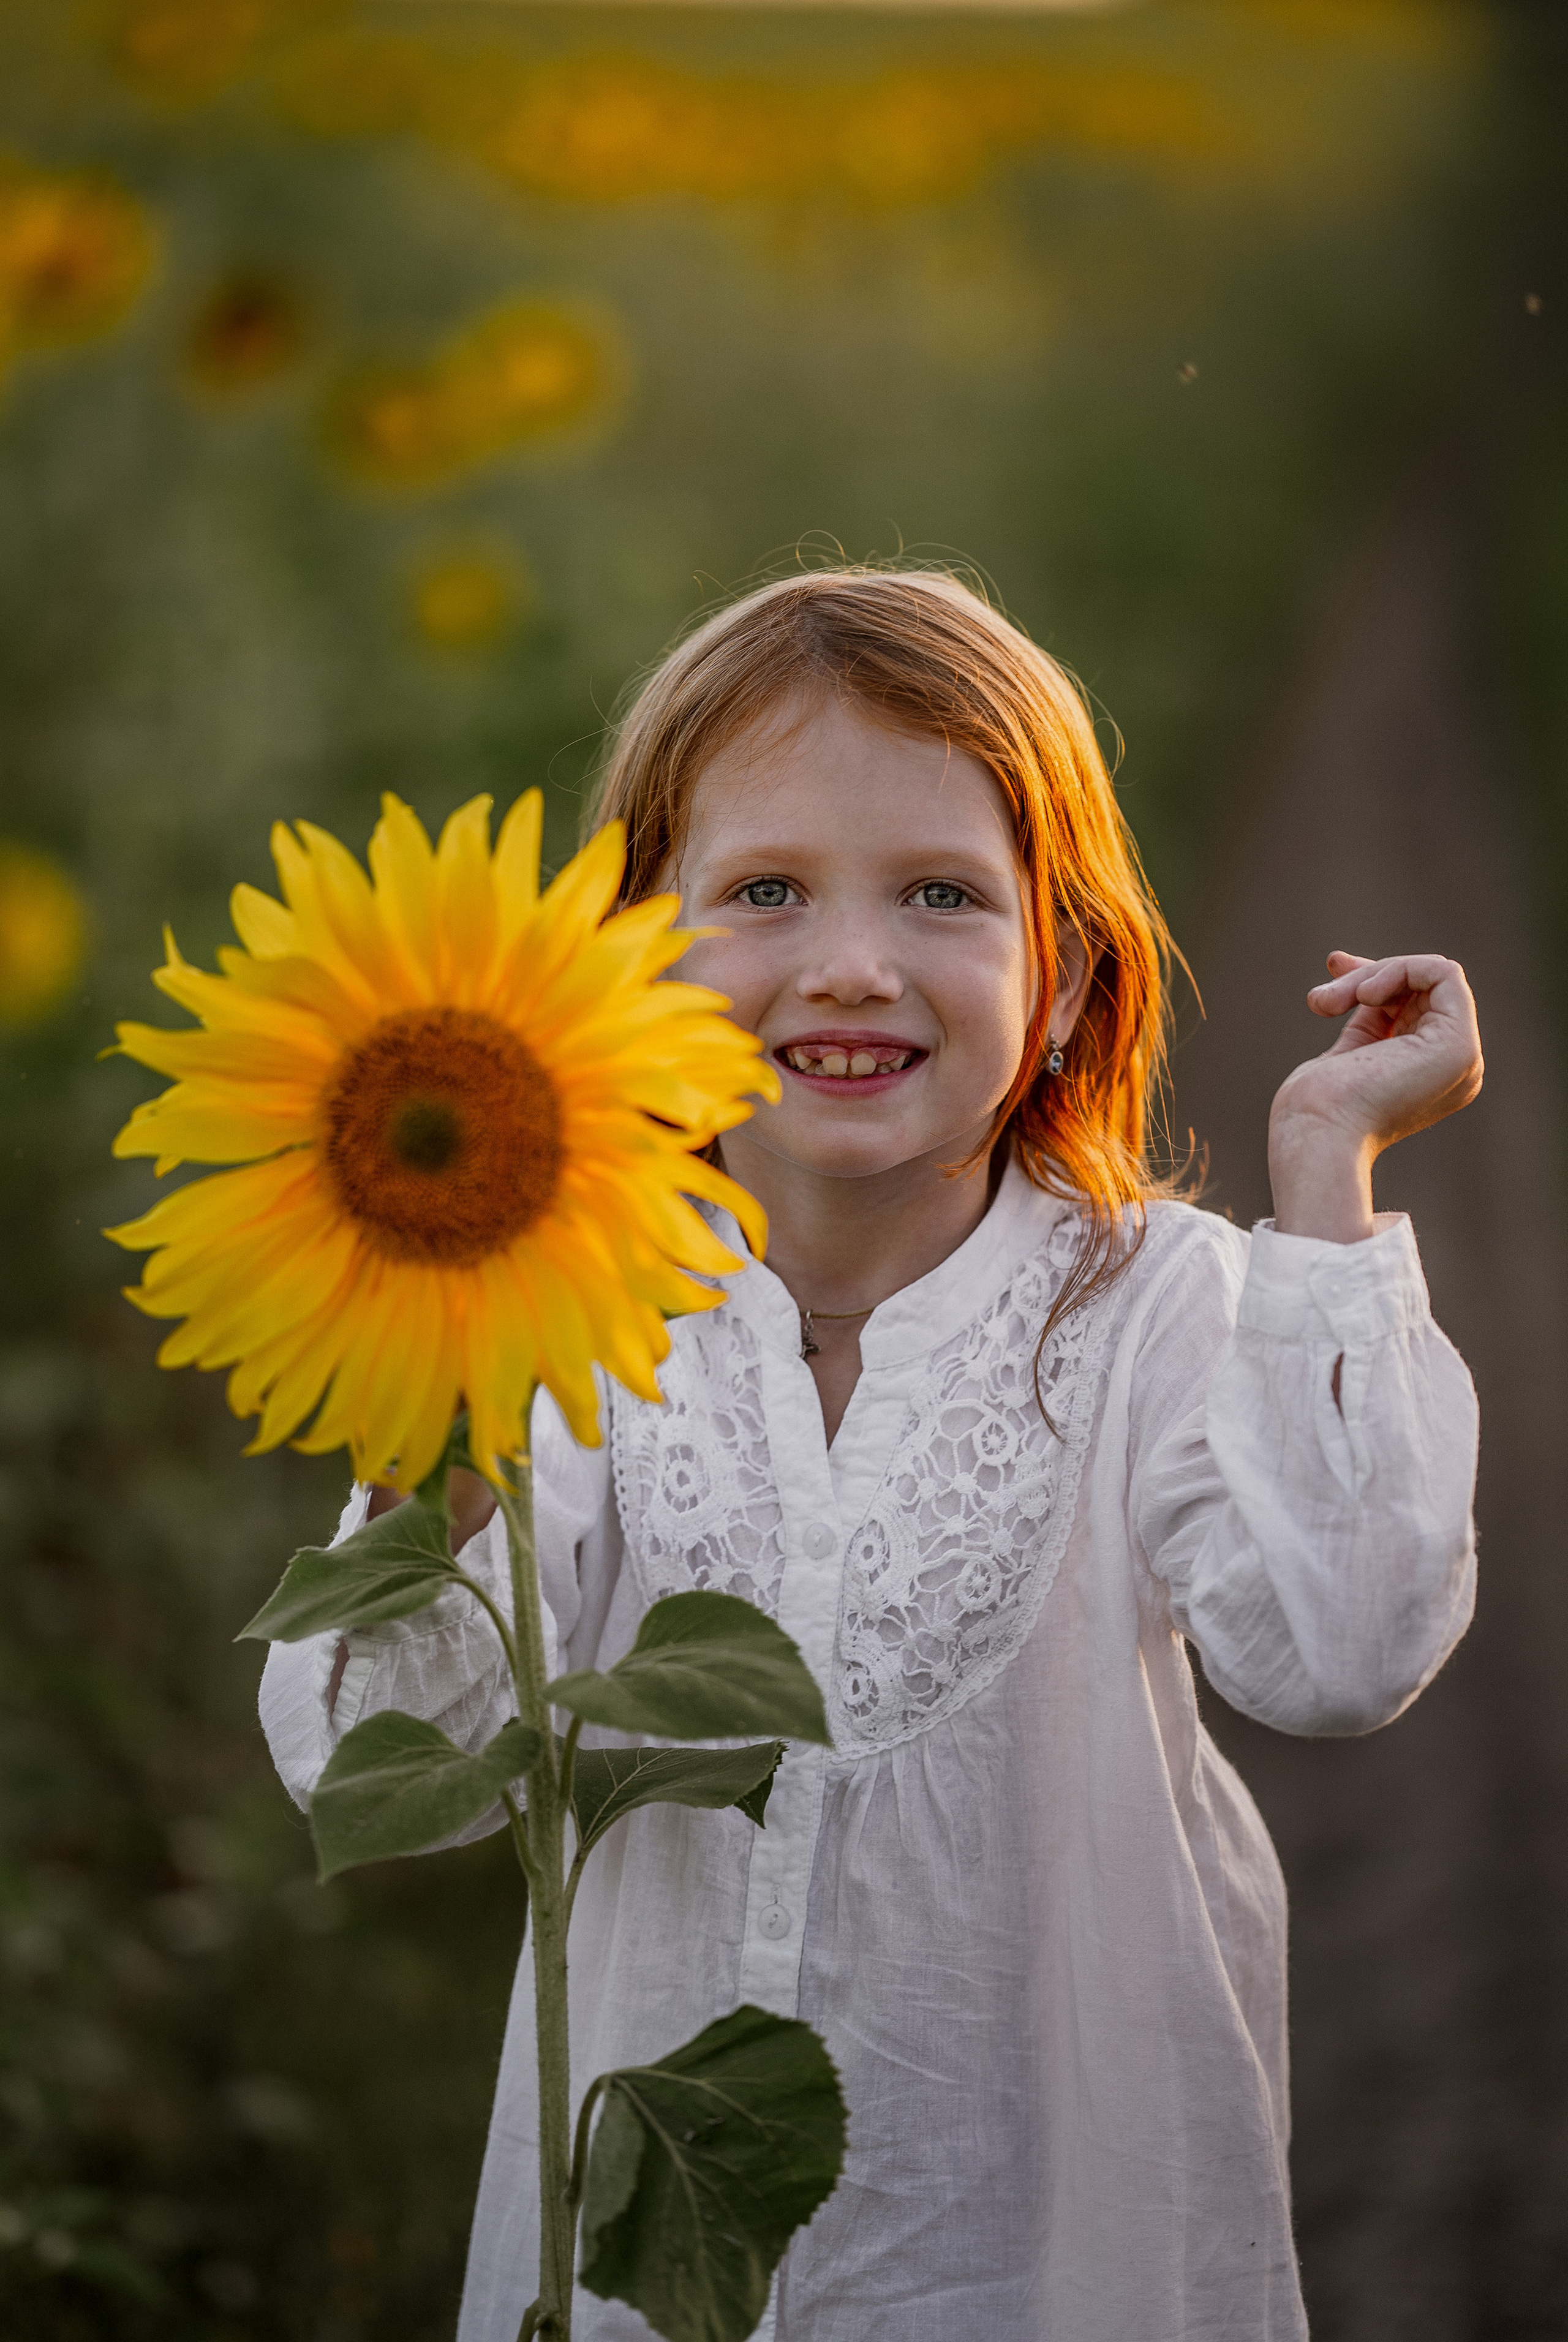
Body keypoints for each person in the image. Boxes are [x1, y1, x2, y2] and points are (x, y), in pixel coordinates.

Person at [260, 568, 1483, 2342]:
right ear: (631, 965)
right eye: (764, 891)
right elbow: (381, 1761)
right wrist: (441, 1373)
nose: (852, 962)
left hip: (1055, 2256)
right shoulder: (577, 1323)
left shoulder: (1160, 1313)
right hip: (648, 2279)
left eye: (940, 894)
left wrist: (1323, 1167)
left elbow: (1347, 1646)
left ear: (1061, 979)